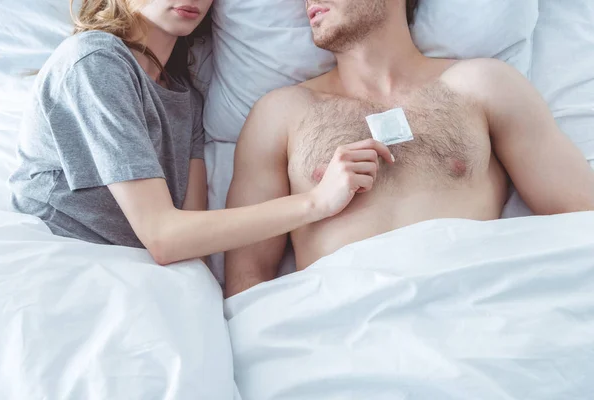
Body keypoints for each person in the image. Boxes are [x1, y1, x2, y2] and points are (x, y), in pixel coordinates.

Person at [225, 0, 594, 296]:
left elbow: (583, 213)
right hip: (340, 330)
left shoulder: (483, 84)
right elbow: (246, 282)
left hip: (474, 309)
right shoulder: (280, 113)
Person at [9, 0, 393, 266]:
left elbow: (193, 238)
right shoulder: (94, 62)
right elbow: (164, 236)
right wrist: (317, 202)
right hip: (65, 256)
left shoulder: (184, 94)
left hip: (144, 273)